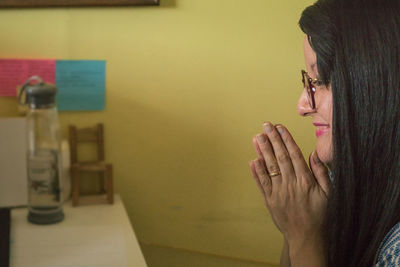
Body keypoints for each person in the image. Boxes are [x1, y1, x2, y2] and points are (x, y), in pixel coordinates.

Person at [249, 0, 400, 266]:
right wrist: (295, 219)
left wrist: (303, 236)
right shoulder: (340, 175)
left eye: (319, 81)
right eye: (309, 81)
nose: (302, 106)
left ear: (377, 84)